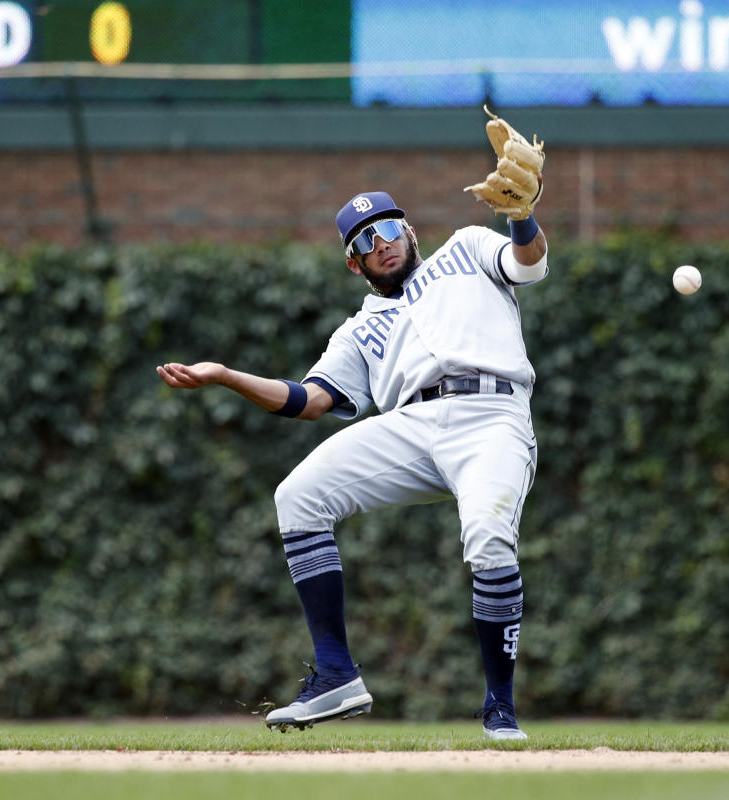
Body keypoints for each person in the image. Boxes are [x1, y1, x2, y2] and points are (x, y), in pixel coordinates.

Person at [157, 126, 547, 741]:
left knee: (489, 540)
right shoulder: (360, 327)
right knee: (298, 496)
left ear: (409, 230)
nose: (382, 242)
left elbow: (527, 264)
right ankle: (336, 675)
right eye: (366, 239)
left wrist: (523, 218)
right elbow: (309, 401)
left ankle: (500, 707)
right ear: (354, 261)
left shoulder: (468, 249)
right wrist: (228, 375)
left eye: (390, 228)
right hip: (410, 425)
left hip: (491, 416)